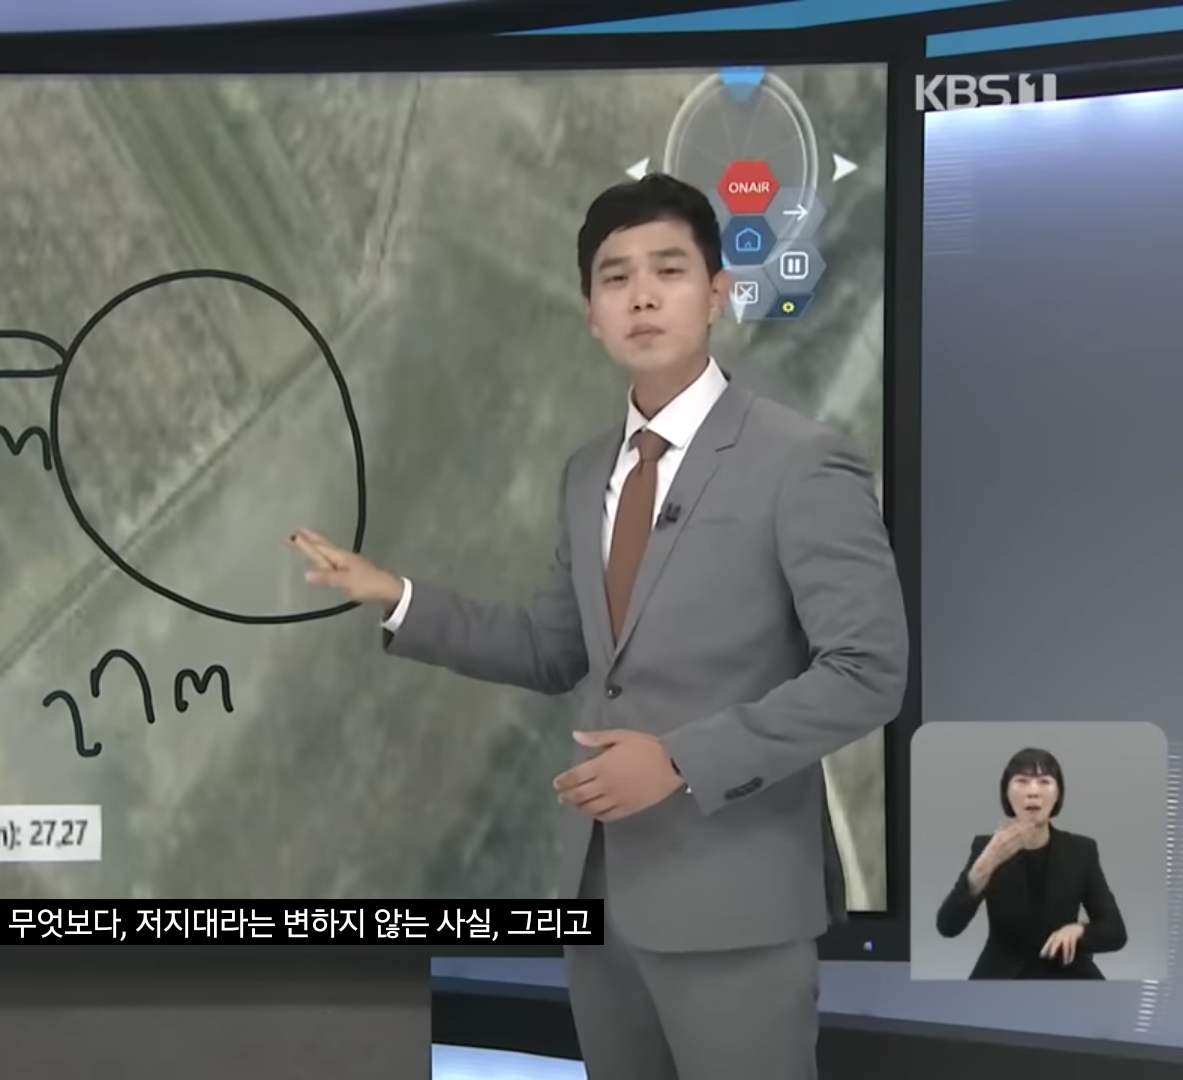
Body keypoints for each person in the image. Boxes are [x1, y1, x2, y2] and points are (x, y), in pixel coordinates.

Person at [287, 174, 908, 1080]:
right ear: (591, 312)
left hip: (734, 912)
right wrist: (398, 597)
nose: (643, 296)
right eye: (617, 278)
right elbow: (554, 650)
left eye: (669, 270)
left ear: (717, 293)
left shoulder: (800, 463)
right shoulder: (588, 476)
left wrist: (680, 760)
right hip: (600, 903)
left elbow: (868, 671)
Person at [934, 747, 1127, 980]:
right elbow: (947, 926)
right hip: (1003, 973)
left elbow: (1116, 931)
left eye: (1044, 782)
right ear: (1006, 793)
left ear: (1058, 794)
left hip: (1068, 970)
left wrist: (1079, 930)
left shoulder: (1081, 850)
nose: (1033, 792)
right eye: (1022, 781)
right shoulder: (987, 847)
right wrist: (984, 866)